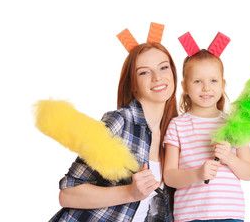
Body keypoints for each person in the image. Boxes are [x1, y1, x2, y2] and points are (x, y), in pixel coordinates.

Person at [50, 24, 178, 221]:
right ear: (133, 85)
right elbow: (67, 194)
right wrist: (130, 192)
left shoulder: (174, 132)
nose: (158, 77)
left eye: (163, 67)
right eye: (144, 72)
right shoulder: (120, 121)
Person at [163, 40, 250, 221]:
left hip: (229, 215)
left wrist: (229, 158)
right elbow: (169, 176)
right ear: (185, 87)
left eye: (213, 80)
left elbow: (249, 173)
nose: (206, 87)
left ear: (223, 84)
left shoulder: (234, 124)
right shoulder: (177, 125)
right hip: (190, 216)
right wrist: (197, 174)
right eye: (197, 81)